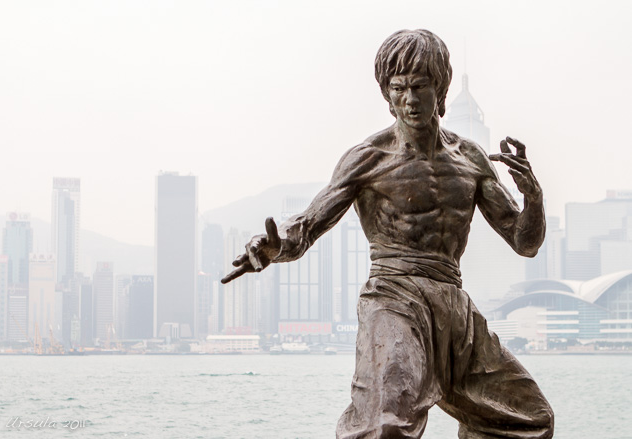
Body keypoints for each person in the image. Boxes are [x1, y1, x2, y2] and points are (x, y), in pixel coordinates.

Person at [222, 29, 554, 439]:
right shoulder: (368, 158)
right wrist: (274, 246)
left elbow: (525, 242)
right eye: (398, 89)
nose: (409, 100)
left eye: (420, 87)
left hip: (453, 306)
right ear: (387, 94)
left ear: (441, 89)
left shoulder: (470, 158)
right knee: (387, 427)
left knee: (528, 418)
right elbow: (307, 224)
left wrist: (534, 197)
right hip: (394, 299)